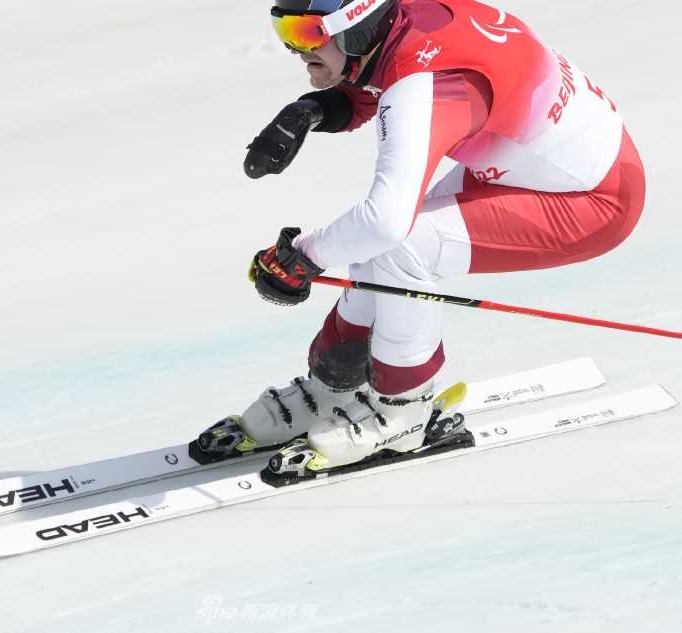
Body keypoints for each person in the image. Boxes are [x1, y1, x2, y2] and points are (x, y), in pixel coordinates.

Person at [193, 0, 645, 478]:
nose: (292, 48)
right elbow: (378, 79)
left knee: (401, 245)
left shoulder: (428, 86)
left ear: (356, 23)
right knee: (386, 244)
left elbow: (387, 221)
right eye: (281, 28)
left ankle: (403, 411)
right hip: (536, 165)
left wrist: (301, 258)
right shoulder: (407, 19)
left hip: (591, 201)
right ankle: (331, 389)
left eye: (305, 32)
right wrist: (310, 109)